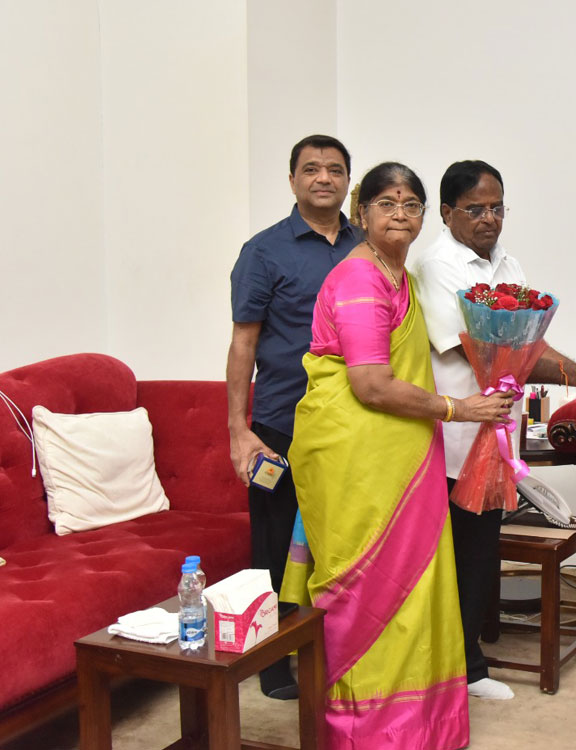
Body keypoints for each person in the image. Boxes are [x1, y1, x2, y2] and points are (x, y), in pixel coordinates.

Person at [283, 161, 513, 749]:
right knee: (367, 589)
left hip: (400, 453)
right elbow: (371, 385)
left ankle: (414, 722)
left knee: (413, 586)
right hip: (356, 457)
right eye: (387, 203)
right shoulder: (361, 279)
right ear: (361, 214)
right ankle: (364, 726)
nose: (400, 214)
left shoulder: (400, 278)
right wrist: (459, 410)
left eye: (410, 204)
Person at [411, 160, 576, 701]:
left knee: (482, 549)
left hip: (496, 433)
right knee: (450, 555)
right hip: (454, 433)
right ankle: (452, 668)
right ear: (446, 213)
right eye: (475, 209)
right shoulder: (436, 265)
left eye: (497, 207)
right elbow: (484, 346)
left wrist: (575, 372)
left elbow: (524, 339)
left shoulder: (508, 261)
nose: (489, 219)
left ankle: (471, 666)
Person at [226, 134, 361, 700]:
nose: (323, 178)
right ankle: (272, 661)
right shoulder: (264, 251)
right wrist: (240, 428)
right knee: (276, 543)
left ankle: (336, 648)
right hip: (283, 420)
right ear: (292, 181)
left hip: (356, 420)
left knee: (342, 540)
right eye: (311, 169)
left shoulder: (367, 245)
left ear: (348, 181)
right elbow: (243, 342)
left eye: (334, 169)